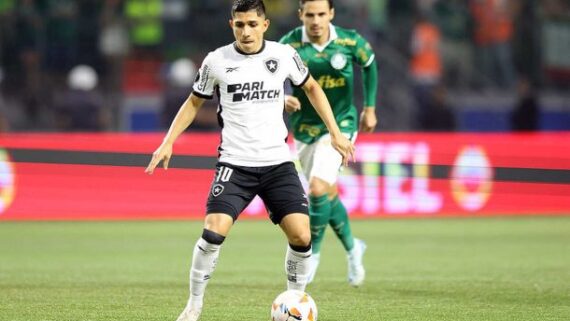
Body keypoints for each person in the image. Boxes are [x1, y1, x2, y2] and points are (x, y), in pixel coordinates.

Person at [145, 1, 355, 321]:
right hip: (235, 164)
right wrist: (168, 141)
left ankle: (295, 301)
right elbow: (193, 102)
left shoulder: (283, 55)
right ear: (232, 25)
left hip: (276, 164)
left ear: (265, 25)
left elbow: (311, 87)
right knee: (213, 232)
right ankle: (194, 306)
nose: (246, 31)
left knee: (302, 236)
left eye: (252, 24)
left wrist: (336, 132)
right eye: (240, 24)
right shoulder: (216, 61)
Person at [279, 0, 377, 287]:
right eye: (310, 15)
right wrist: (283, 98)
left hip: (341, 125)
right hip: (306, 129)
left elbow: (369, 65)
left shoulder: (349, 41)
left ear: (331, 14)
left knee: (318, 188)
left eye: (322, 14)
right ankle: (352, 248)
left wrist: (369, 108)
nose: (316, 20)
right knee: (327, 193)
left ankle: (312, 255)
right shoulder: (289, 45)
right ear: (301, 16)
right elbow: (271, 77)